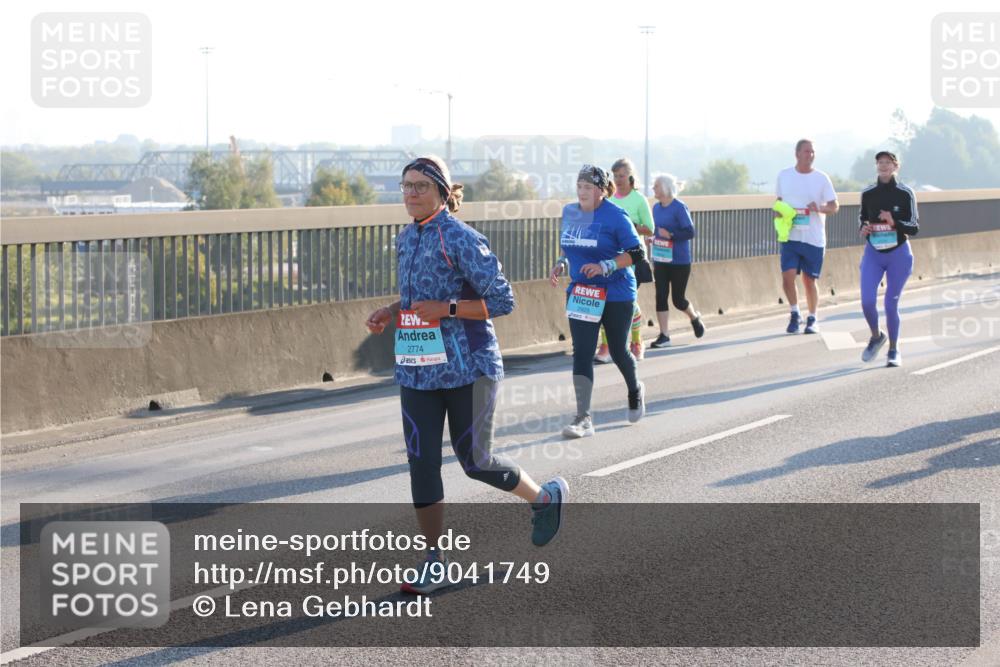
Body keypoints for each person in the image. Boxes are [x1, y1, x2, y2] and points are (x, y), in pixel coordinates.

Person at [365, 156, 567, 593]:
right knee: (421, 463)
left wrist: (448, 310)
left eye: (420, 186)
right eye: (405, 186)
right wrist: (392, 310)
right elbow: (419, 296)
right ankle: (435, 560)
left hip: (469, 367)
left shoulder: (460, 238)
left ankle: (545, 498)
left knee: (475, 462)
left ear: (441, 191)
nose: (411, 193)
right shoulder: (406, 237)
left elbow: (503, 300)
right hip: (419, 370)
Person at [549, 164, 646, 439]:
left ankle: (634, 388)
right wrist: (560, 263)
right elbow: (570, 245)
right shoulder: (570, 212)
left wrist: (606, 266)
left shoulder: (616, 216)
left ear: (602, 191)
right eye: (579, 186)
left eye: (588, 188)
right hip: (582, 292)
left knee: (617, 350)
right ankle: (583, 418)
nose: (582, 192)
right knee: (582, 352)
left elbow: (636, 253)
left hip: (616, 292)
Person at [858, 151, 918, 367]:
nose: (883, 166)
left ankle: (893, 350)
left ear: (895, 167)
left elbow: (914, 227)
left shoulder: (905, 193)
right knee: (866, 301)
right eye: (880, 162)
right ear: (876, 166)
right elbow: (863, 219)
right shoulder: (868, 193)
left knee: (890, 304)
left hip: (898, 254)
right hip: (873, 253)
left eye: (888, 163)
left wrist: (894, 222)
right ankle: (876, 336)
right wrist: (863, 228)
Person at [774, 139, 839, 334]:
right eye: (806, 151)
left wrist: (819, 208)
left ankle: (812, 318)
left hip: (813, 237)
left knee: (809, 280)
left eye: (812, 152)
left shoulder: (822, 178)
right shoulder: (784, 176)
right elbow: (779, 202)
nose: (810, 155)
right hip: (790, 235)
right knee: (788, 276)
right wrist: (780, 213)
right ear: (797, 154)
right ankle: (795, 313)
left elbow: (835, 206)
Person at [596, 157, 654, 361]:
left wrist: (629, 226)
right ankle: (605, 346)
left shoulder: (639, 199)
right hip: (610, 259)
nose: (618, 180)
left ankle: (636, 342)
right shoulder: (609, 199)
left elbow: (650, 228)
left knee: (630, 304)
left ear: (630, 177)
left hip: (633, 258)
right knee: (604, 302)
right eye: (615, 176)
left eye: (621, 176)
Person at [648, 173, 705, 347]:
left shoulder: (679, 207)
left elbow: (690, 232)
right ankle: (664, 335)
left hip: (679, 260)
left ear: (665, 188)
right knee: (660, 296)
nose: (653, 189)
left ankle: (694, 317)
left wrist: (671, 235)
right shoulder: (656, 208)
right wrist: (653, 238)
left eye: (656, 186)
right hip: (661, 258)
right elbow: (656, 230)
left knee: (678, 300)